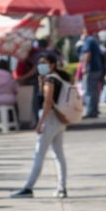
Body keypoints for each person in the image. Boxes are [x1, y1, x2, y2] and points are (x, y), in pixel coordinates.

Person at [11, 52, 71, 199]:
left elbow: (48, 102)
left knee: (39, 154)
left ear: (52, 64)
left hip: (49, 119)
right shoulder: (58, 78)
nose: (41, 66)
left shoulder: (50, 80)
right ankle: (61, 188)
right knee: (58, 154)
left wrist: (40, 122)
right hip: (59, 120)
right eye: (39, 63)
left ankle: (28, 187)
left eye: (44, 63)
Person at [79, 29, 104, 118]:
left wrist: (84, 67)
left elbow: (87, 54)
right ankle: (94, 109)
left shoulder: (89, 41)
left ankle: (91, 111)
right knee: (94, 91)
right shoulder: (94, 40)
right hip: (97, 68)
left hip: (91, 69)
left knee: (90, 91)